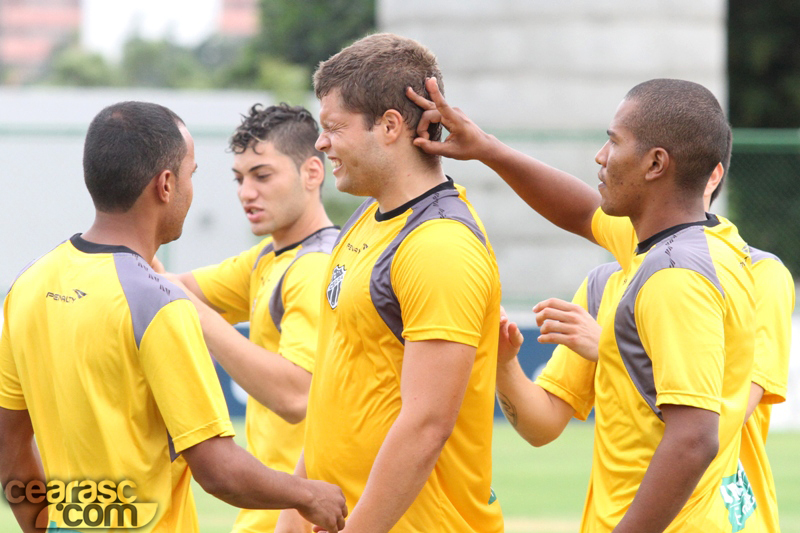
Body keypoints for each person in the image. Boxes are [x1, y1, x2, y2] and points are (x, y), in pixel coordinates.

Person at [408, 78, 756, 532]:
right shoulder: (691, 245)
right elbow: (579, 212)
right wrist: (487, 149)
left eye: (613, 141)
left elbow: (693, 440)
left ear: (655, 164)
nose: (600, 156)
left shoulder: (675, 277)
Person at [0, 101, 347, 533]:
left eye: (261, 175)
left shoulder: (26, 285)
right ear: (166, 185)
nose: (243, 192)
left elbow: (9, 443)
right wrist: (310, 495)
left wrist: (42, 527)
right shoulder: (161, 304)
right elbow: (218, 470)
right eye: (192, 174)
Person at [277, 33, 504, 533]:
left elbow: (427, 427)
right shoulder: (366, 221)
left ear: (390, 126)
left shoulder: (440, 244)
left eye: (334, 127)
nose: (320, 142)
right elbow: (336, 396)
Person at [511, 161, 795, 532]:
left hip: (712, 520)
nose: (603, 157)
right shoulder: (603, 284)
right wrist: (504, 362)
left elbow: (729, 411)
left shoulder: (759, 273)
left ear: (712, 175)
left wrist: (609, 348)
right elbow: (541, 426)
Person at [162, 103, 339, 533]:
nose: (246, 192)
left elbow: (295, 396)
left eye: (262, 175)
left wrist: (192, 311)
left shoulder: (315, 266)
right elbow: (164, 286)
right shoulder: (270, 257)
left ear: (312, 173)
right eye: (240, 179)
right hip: (272, 510)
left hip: (305, 513)